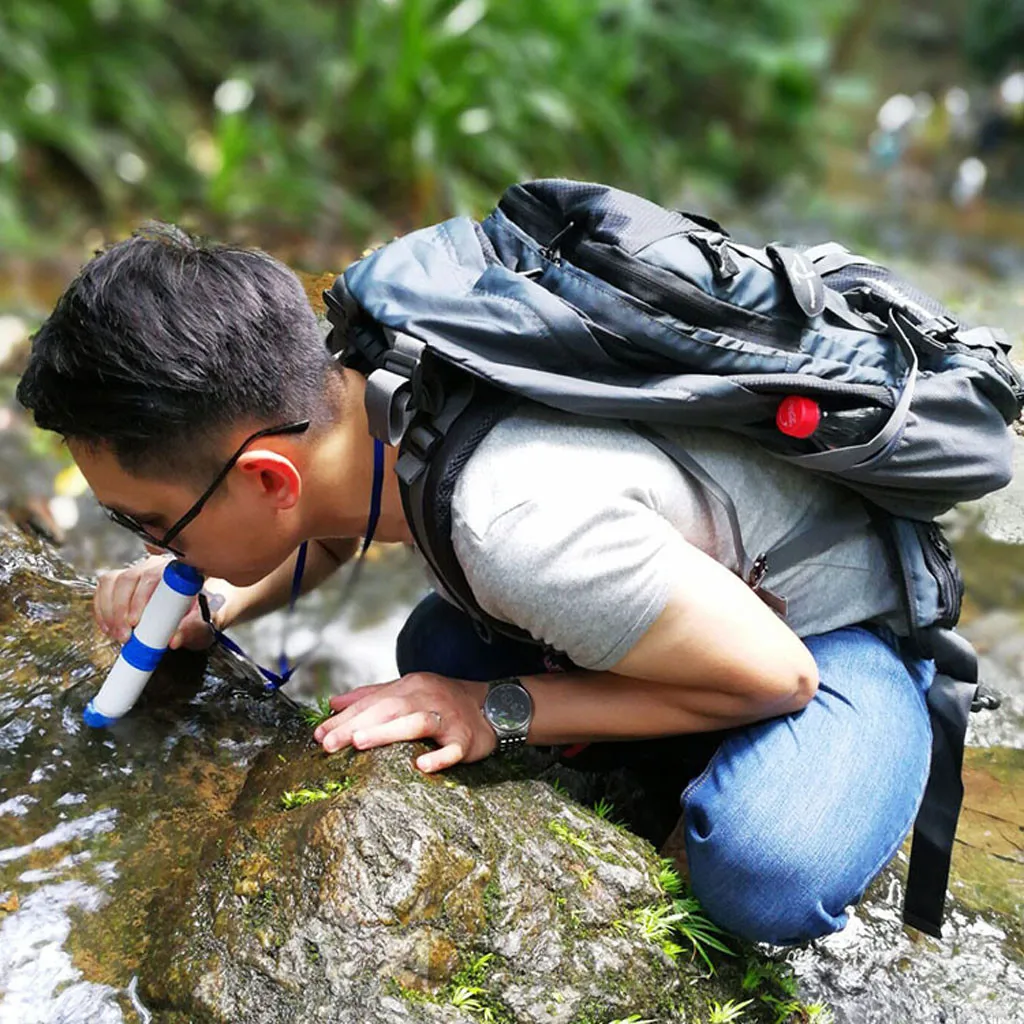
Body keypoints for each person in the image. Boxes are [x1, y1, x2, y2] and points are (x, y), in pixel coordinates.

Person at [15, 224, 936, 948]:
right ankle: (661, 726)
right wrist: (217, 600)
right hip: (683, 590)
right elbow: (333, 520)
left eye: (147, 520)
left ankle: (858, 748)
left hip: (829, 636)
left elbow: (779, 676)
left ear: (266, 478)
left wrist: (489, 705)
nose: (145, 544)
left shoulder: (512, 523)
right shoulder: (363, 371)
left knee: (761, 866)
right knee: (435, 648)